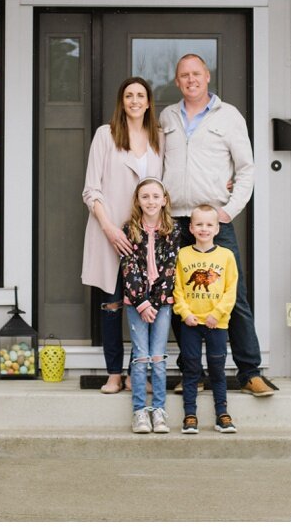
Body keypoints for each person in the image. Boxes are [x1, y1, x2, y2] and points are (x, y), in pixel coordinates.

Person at [160, 53, 275, 397]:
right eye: (184, 75)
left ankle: (250, 372)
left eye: (196, 73)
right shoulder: (167, 117)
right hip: (176, 222)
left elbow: (246, 168)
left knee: (232, 296)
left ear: (207, 76)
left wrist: (229, 211)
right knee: (183, 298)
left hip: (214, 222)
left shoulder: (229, 116)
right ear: (177, 81)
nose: (190, 79)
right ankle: (192, 374)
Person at [81, 76, 162, 394]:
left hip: (148, 236)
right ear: (122, 101)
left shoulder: (159, 139)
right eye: (129, 95)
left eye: (141, 95)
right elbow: (91, 189)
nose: (135, 100)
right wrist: (109, 229)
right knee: (113, 305)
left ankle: (135, 373)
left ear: (149, 102)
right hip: (111, 232)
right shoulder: (106, 135)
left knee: (144, 306)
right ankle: (114, 373)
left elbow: (166, 185)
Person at [118, 177, 182, 434]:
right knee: (140, 357)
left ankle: (159, 410)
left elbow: (169, 270)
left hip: (163, 303)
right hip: (136, 303)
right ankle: (139, 412)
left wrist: (154, 303)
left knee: (158, 357)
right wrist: (142, 303)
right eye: (145, 196)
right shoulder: (129, 229)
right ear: (137, 201)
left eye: (156, 196)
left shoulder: (174, 230)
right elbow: (129, 268)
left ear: (164, 200)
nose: (151, 201)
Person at [173, 204, 238, 434]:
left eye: (209, 224)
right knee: (191, 370)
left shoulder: (226, 256)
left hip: (216, 324)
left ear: (217, 228)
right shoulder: (183, 255)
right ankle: (190, 415)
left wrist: (217, 314)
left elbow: (231, 291)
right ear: (190, 228)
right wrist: (185, 313)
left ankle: (222, 414)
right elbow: (177, 289)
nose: (204, 229)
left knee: (217, 370)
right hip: (191, 323)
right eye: (199, 224)